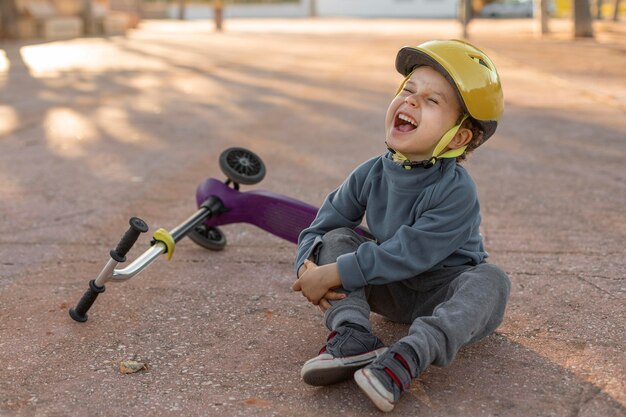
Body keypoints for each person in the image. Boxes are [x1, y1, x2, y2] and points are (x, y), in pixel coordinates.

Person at [291, 39, 511, 412]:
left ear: (458, 137)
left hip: (442, 292)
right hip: (386, 288)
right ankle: (352, 335)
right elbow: (322, 225)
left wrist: (336, 272)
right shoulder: (370, 172)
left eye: (431, 101)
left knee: (491, 281)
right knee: (336, 237)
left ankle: (406, 358)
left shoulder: (457, 191)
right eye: (408, 91)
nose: (410, 101)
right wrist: (307, 264)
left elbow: (409, 253)